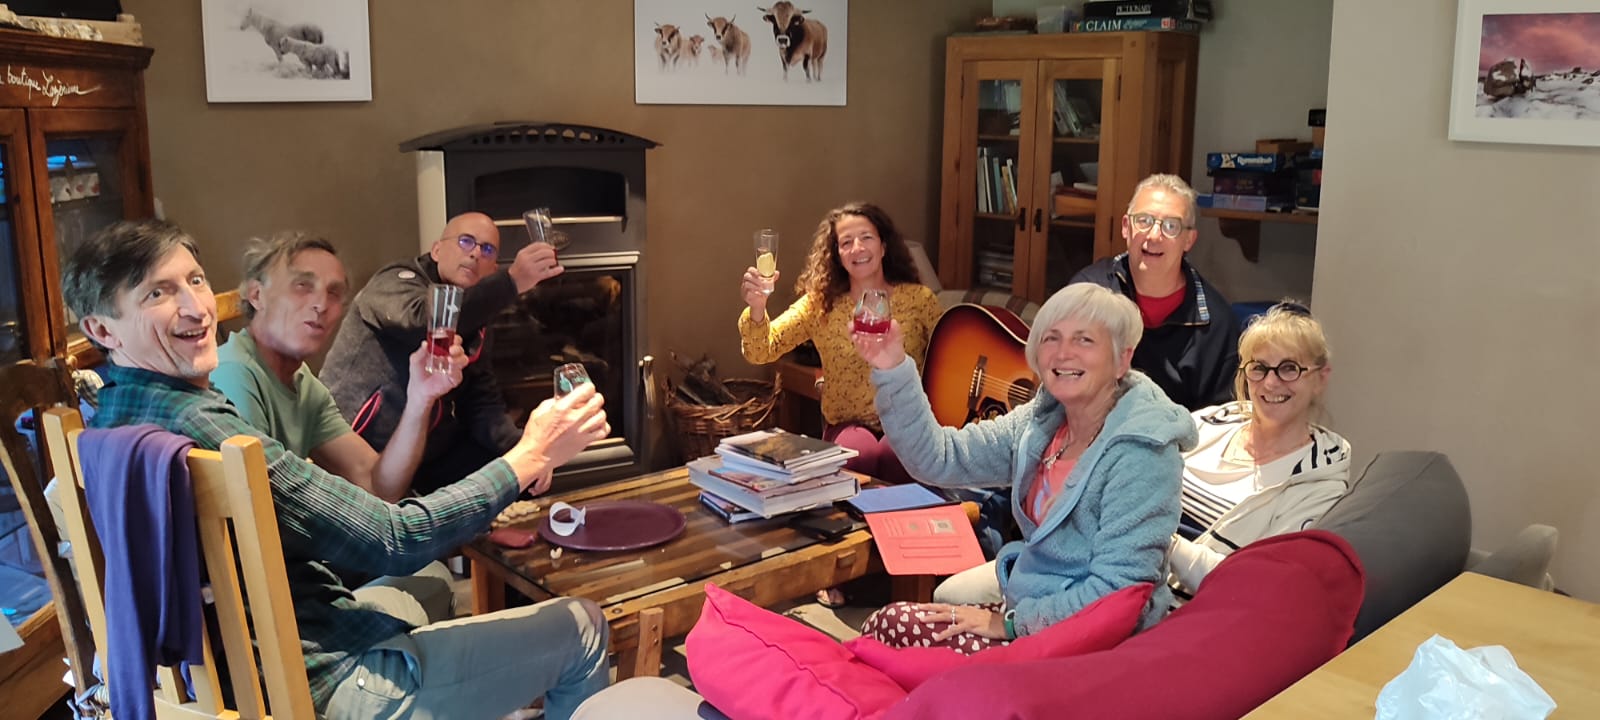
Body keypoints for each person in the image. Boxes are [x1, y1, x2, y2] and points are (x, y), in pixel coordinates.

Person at [64, 219, 612, 720]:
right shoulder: (205, 422)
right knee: (583, 627)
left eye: (196, 281)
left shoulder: (117, 418)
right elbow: (393, 537)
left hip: (250, 655)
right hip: (311, 678)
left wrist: (421, 397)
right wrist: (529, 456)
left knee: (422, 592)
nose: (196, 308)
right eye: (157, 293)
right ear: (103, 330)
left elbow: (378, 486)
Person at [852, 283, 1195, 652]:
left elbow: (1118, 595)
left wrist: (1011, 624)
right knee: (888, 629)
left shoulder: (1144, 452)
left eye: (1084, 340)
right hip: (1032, 602)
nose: (1063, 353)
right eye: (1051, 338)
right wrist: (891, 366)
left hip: (1092, 643)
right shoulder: (1043, 420)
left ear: (1122, 358)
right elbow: (939, 457)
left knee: (892, 631)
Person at [210, 231, 468, 621]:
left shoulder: (302, 383)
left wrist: (421, 399)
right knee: (419, 592)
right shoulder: (234, 374)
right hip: (261, 607)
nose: (321, 304)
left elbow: (378, 484)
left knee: (432, 577)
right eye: (302, 285)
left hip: (295, 569)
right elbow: (259, 520)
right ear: (256, 295)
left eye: (334, 293)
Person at [321, 211, 564, 493]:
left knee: (512, 473)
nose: (475, 253)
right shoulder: (396, 280)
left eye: (487, 250)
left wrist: (526, 451)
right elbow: (421, 323)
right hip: (358, 440)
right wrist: (512, 282)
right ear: (436, 250)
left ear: (492, 269)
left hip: (425, 445)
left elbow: (480, 401)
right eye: (465, 241)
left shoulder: (478, 315)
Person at [737, 202, 941, 484]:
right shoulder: (820, 305)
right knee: (860, 454)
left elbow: (953, 350)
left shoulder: (919, 299)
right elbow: (761, 351)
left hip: (909, 418)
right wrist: (757, 308)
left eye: (866, 237)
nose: (857, 248)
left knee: (898, 453)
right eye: (846, 242)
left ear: (883, 246)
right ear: (837, 255)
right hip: (848, 424)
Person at [1167, 301, 1351, 599]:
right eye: (1259, 368)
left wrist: (1163, 544)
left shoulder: (1319, 487)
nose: (1271, 382)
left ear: (1321, 378)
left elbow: (1255, 586)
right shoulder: (1210, 423)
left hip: (1187, 611)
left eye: (1289, 368)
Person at [1071, 174, 1240, 411]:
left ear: (1189, 240)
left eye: (1171, 226)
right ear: (1126, 227)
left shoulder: (1217, 324)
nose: (1154, 236)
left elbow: (1222, 418)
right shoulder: (1086, 294)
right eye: (1144, 221)